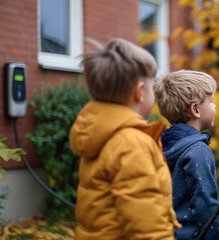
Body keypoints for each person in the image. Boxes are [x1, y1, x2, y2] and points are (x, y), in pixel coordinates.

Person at [69, 38, 181, 240]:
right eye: (151, 85)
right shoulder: (131, 142)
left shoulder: (103, 132)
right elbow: (146, 220)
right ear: (139, 92)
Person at [153, 70, 219, 240]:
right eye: (211, 101)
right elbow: (206, 203)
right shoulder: (198, 151)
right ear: (195, 110)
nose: (215, 106)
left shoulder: (161, 144)